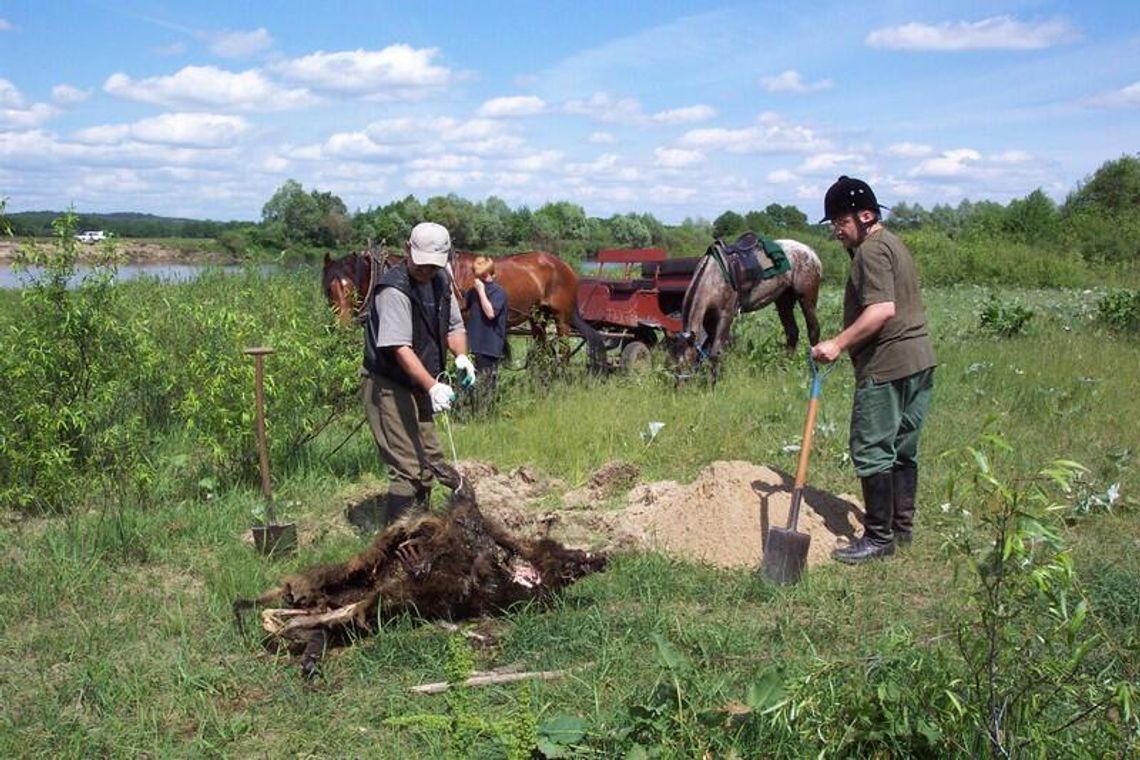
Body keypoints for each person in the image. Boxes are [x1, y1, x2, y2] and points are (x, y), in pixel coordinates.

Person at [811, 176, 936, 564]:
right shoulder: (893, 243)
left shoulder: (871, 251)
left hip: (888, 365)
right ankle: (901, 528)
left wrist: (837, 343)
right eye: (832, 223)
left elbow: (882, 309)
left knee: (871, 448)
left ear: (866, 216)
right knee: (902, 448)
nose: (836, 230)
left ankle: (879, 538)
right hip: (920, 360)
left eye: (841, 222)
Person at [347, 222, 477, 532]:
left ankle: (423, 528)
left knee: (430, 457)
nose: (426, 271)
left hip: (419, 381)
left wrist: (461, 356)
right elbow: (398, 348)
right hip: (388, 384)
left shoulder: (441, 281)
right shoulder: (394, 289)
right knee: (406, 466)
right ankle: (398, 539)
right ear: (407, 250)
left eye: (434, 265)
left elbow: (454, 327)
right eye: (421, 264)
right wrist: (432, 386)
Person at [463, 255, 508, 413]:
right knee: (469, 382)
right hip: (473, 344)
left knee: (486, 385)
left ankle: (486, 416)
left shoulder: (499, 292)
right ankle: (469, 413)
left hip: (489, 345)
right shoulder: (472, 292)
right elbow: (463, 306)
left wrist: (481, 291)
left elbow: (490, 313)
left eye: (482, 275)